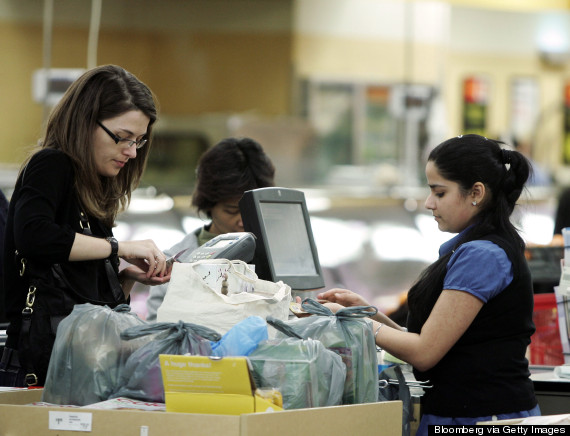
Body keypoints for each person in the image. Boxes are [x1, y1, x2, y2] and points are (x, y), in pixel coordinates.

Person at [317, 134, 540, 433]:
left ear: (476, 192)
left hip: (482, 417)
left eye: (439, 192)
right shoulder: (479, 247)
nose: (428, 203)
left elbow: (425, 352)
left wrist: (347, 319)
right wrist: (366, 313)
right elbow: (433, 344)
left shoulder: (482, 255)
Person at [0, 65, 171, 387]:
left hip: (80, 366)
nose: (131, 152)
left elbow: (90, 313)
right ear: (84, 122)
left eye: (139, 141)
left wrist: (124, 278)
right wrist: (120, 248)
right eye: (122, 137)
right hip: (40, 369)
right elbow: (35, 236)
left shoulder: (94, 186)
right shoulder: (51, 164)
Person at [145, 136, 275, 322]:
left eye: (253, 211)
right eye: (231, 210)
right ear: (209, 204)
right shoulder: (174, 263)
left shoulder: (278, 256)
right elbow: (156, 331)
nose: (243, 221)